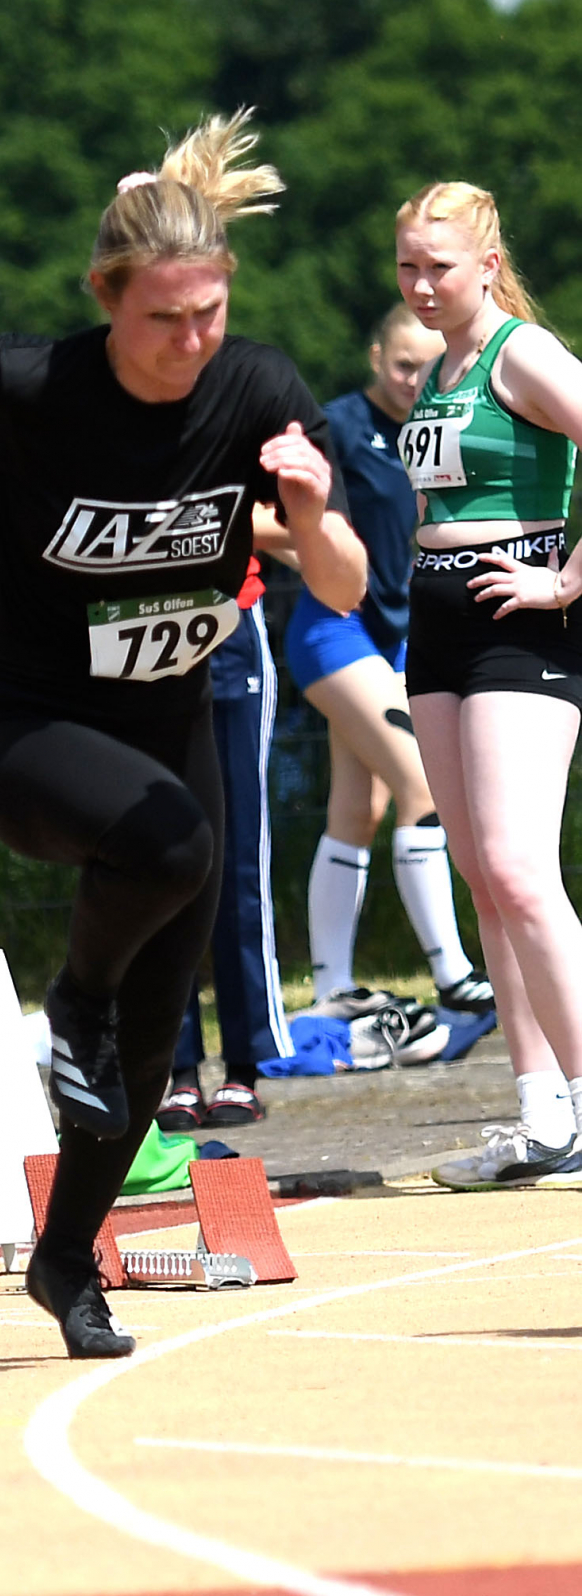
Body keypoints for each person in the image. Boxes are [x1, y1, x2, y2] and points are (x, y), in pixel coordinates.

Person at [0, 111, 367, 1356]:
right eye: (163, 319)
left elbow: (340, 587)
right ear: (106, 298)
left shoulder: (260, 390)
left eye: (210, 315)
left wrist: (309, 507)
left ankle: (67, 1258)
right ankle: (68, 999)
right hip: (28, 736)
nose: (191, 344)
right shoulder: (34, 382)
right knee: (174, 853)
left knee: (149, 1037)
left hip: (165, 729)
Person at [393, 179, 582, 1188]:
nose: (422, 285)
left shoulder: (522, 352)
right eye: (408, 266)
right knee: (482, 876)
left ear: (489, 266)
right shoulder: (443, 366)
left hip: (520, 614)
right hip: (436, 619)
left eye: (441, 266)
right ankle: (542, 1116)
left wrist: (565, 577)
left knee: (517, 868)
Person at [282, 304, 493, 1046]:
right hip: (333, 630)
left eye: (424, 367)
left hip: (404, 638)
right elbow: (269, 515)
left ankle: (332, 985)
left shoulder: (440, 422)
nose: (413, 380)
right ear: (376, 356)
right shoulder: (336, 424)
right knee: (422, 786)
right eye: (402, 365)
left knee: (356, 808)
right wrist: (316, 548)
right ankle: (454, 974)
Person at [157, 513, 296, 1133]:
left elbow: (295, 524)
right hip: (139, 629)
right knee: (159, 858)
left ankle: (245, 1065)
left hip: (229, 626)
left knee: (239, 855)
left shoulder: (243, 419)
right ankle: (175, 1068)